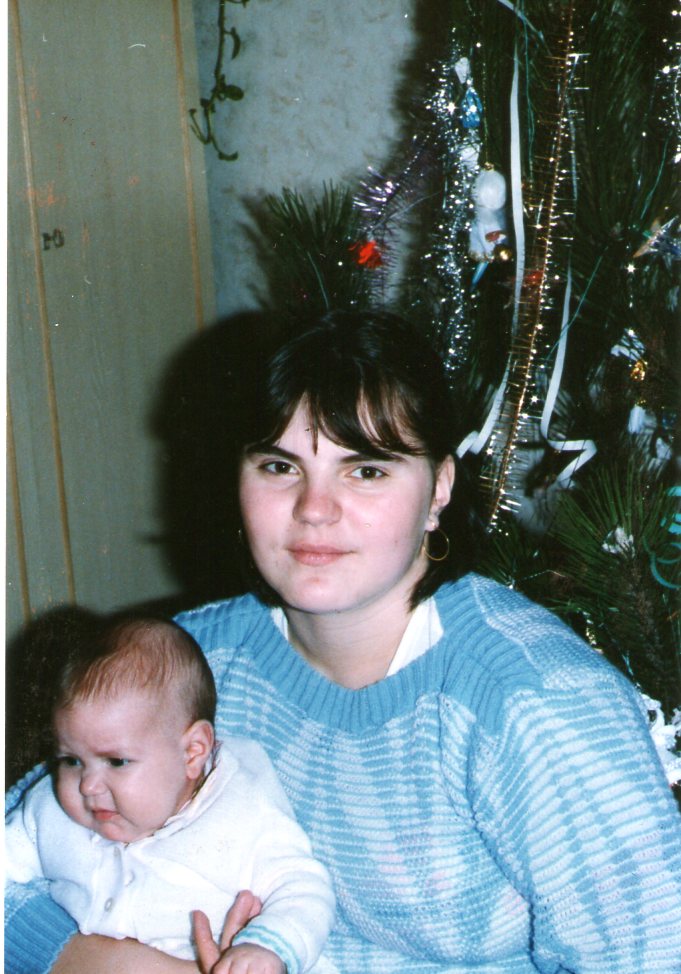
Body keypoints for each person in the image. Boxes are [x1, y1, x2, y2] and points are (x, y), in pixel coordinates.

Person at [6, 309, 681, 974]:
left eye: (366, 471)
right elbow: (29, 837)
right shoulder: (193, 662)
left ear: (439, 488)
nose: (314, 509)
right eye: (279, 467)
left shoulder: (534, 702)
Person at [5, 615, 335, 974]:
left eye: (116, 761)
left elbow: (302, 889)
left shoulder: (242, 812)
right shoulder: (47, 810)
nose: (88, 785)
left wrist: (265, 947)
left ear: (192, 753)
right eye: (71, 760)